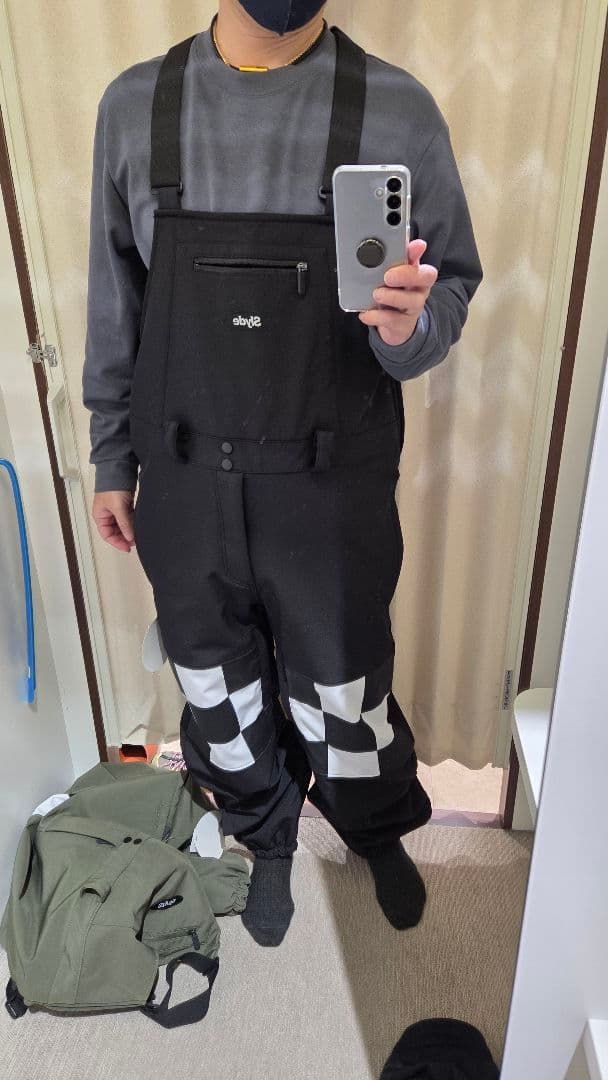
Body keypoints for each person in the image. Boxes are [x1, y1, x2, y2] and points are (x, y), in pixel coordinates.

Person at [83, 0, 483, 947]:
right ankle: (264, 836)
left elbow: (451, 291)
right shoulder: (135, 107)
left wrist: (406, 327)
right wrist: (111, 456)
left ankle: (371, 827)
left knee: (345, 682)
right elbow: (116, 298)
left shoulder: (398, 108)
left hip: (332, 482)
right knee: (215, 679)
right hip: (184, 475)